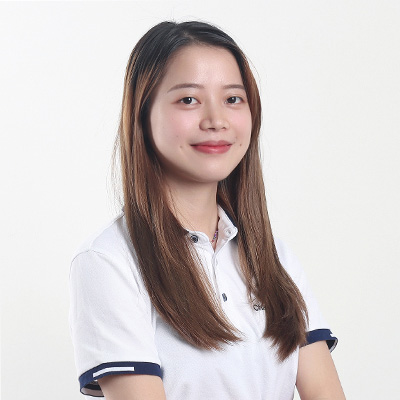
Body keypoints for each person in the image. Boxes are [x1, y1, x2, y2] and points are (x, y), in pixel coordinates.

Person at [69, 21, 345, 400]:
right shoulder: (108, 262)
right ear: (143, 114)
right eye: (188, 100)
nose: (216, 120)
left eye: (233, 99)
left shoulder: (275, 258)